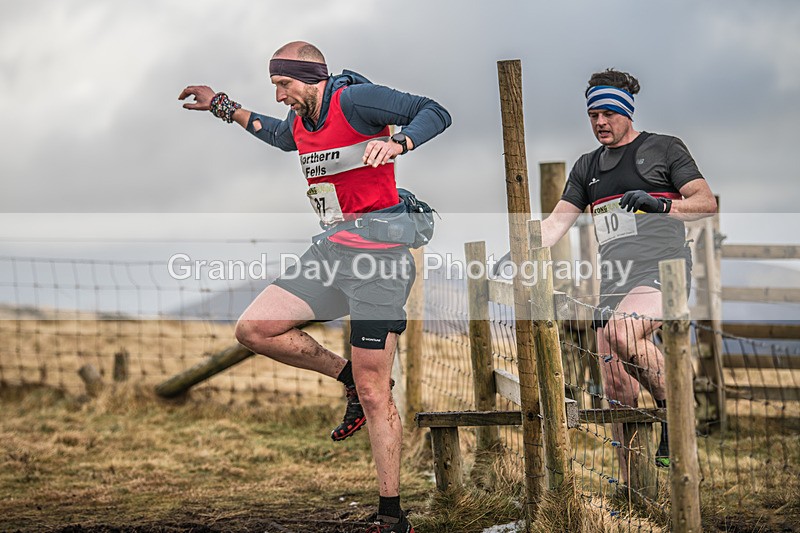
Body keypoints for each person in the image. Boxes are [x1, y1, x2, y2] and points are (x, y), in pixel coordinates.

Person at [179, 41, 450, 533]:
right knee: (255, 329)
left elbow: (435, 111)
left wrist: (400, 143)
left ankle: (392, 516)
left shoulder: (356, 101)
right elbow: (276, 134)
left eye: (284, 84)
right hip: (331, 253)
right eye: (275, 86)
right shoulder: (301, 122)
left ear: (311, 77)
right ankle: (345, 376)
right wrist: (220, 104)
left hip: (380, 263)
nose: (280, 95)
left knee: (376, 393)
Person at [540, 69, 716, 475]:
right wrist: (519, 249)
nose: (600, 122)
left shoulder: (664, 149)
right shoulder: (587, 166)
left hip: (662, 271)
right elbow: (555, 224)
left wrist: (662, 205)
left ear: (627, 112)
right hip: (614, 281)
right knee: (617, 388)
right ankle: (634, 488)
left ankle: (674, 408)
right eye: (593, 116)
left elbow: (706, 202)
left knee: (622, 332)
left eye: (608, 114)